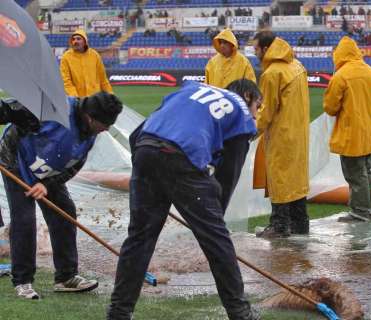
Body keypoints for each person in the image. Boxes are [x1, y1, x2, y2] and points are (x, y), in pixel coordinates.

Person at [106, 79, 261, 320]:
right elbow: (228, 176)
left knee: (139, 237)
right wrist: (213, 221)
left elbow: (138, 134)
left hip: (145, 151)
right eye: (258, 108)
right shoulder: (241, 111)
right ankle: (240, 313)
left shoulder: (190, 89)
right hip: (182, 158)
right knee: (218, 242)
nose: (256, 115)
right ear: (249, 96)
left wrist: (150, 183)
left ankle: (119, 312)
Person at [0, 92, 123, 299]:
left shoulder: (90, 132)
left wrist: (46, 185)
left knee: (65, 211)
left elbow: (73, 166)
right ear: (90, 117)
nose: (107, 129)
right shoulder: (53, 110)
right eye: (104, 124)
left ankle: (66, 277)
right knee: (24, 220)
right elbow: (8, 110)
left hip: (48, 172)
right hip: (16, 163)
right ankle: (23, 281)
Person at [252, 31, 310, 238]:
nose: (254, 52)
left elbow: (266, 111)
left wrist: (250, 131)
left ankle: (279, 225)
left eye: (256, 48)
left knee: (280, 178)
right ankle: (300, 224)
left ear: (266, 49)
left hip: (281, 134)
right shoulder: (297, 66)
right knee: (296, 179)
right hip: (299, 133)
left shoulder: (272, 74)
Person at [323, 36, 371, 222]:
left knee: (355, 175)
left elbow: (330, 107)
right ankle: (368, 208)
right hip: (369, 134)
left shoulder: (341, 76)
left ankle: (360, 212)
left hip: (351, 135)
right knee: (366, 171)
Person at [60, 29, 113, 98]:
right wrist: (75, 98)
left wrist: (110, 95)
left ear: (85, 41)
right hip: (77, 100)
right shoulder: (66, 57)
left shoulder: (94, 55)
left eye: (78, 39)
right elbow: (66, 81)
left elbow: (103, 79)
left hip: (95, 99)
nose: (75, 41)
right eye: (73, 39)